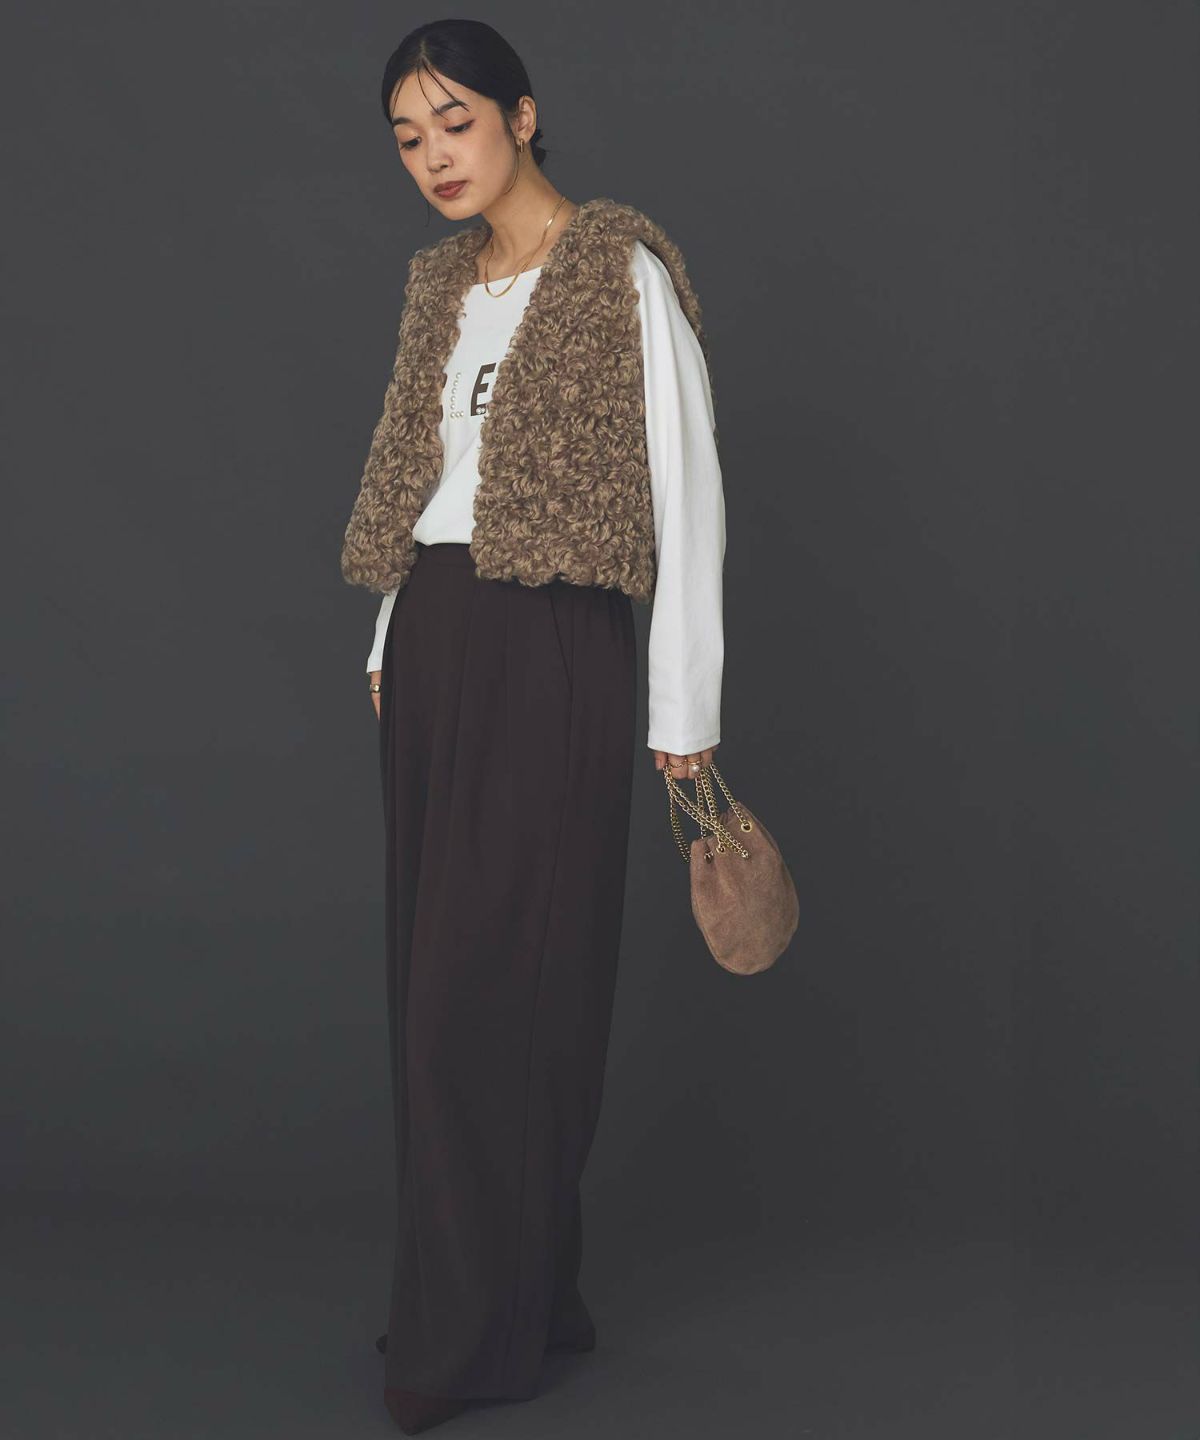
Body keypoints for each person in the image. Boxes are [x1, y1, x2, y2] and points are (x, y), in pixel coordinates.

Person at [340, 19, 726, 1435]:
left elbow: (688, 494)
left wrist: (684, 714)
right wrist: (387, 638)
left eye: (454, 122)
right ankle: (515, 1293)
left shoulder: (619, 269)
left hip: (553, 639)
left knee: (501, 992)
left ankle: (468, 1336)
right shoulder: (441, 284)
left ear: (521, 114)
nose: (433, 157)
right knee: (435, 989)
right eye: (408, 138)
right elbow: (422, 478)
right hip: (437, 644)